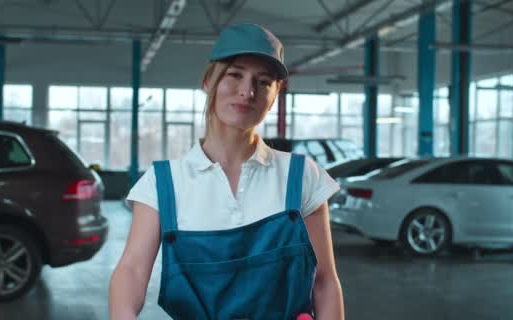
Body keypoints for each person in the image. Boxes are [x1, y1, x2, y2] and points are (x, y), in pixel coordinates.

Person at [109, 23, 344, 320]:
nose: (247, 92)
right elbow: (132, 271)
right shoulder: (163, 183)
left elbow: (324, 282)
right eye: (235, 75)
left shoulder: (302, 177)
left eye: (263, 82)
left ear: (275, 95)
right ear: (209, 81)